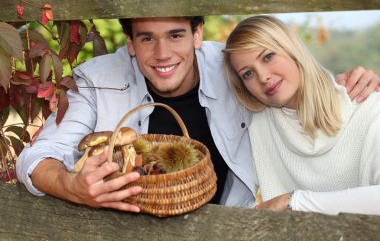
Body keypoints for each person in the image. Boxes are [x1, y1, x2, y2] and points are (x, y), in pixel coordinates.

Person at [16, 16, 380, 213]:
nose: (162, 53)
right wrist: (73, 187)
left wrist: (348, 82)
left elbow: (292, 84)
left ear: (197, 34)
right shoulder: (97, 81)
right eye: (146, 38)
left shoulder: (236, 69)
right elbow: (35, 158)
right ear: (129, 42)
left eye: (175, 35)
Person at [223, 15, 380, 215]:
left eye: (268, 56)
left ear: (292, 49)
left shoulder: (367, 106)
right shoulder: (255, 129)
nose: (263, 77)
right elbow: (234, 207)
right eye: (248, 73)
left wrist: (293, 201)